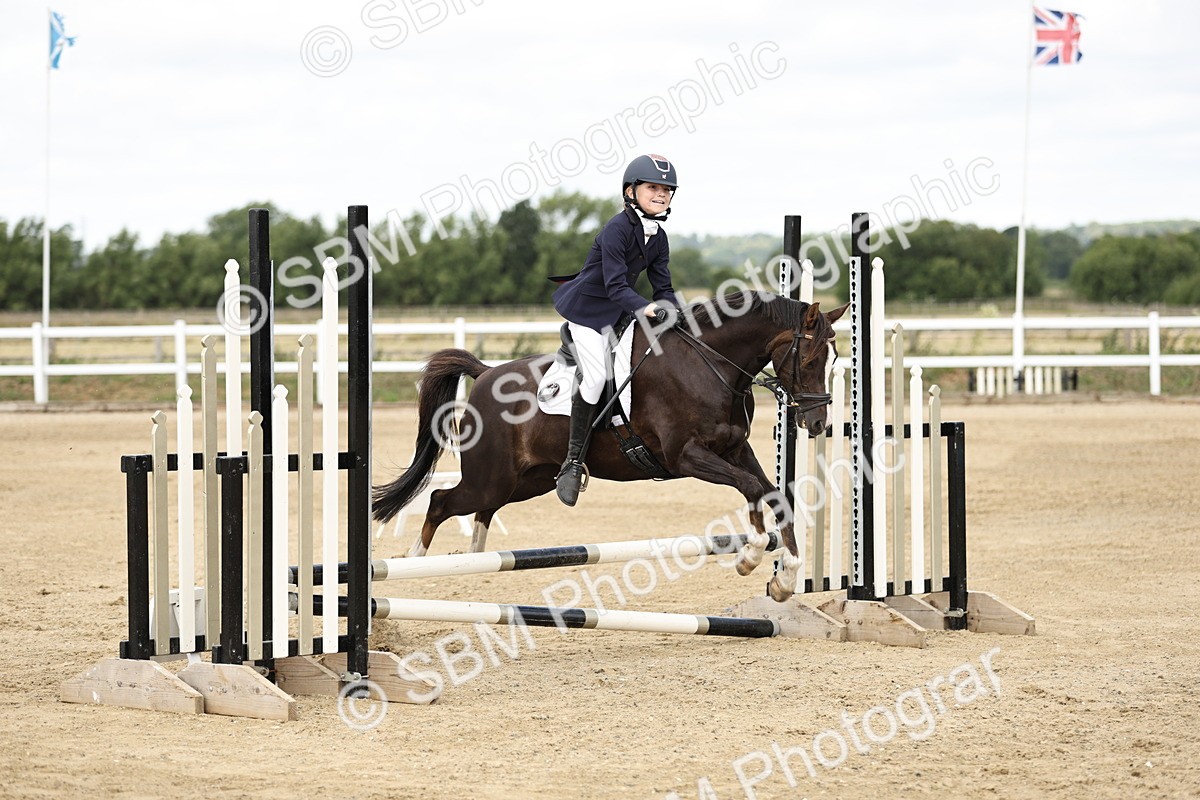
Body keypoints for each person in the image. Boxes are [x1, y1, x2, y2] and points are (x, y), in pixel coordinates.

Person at [550, 154, 681, 506]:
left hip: (621, 314)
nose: (661, 194)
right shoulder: (616, 229)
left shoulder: (659, 236)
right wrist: (648, 308)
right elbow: (614, 287)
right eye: (653, 187)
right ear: (631, 191)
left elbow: (663, 287)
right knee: (594, 378)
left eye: (667, 189)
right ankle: (572, 462)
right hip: (590, 313)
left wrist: (673, 308)